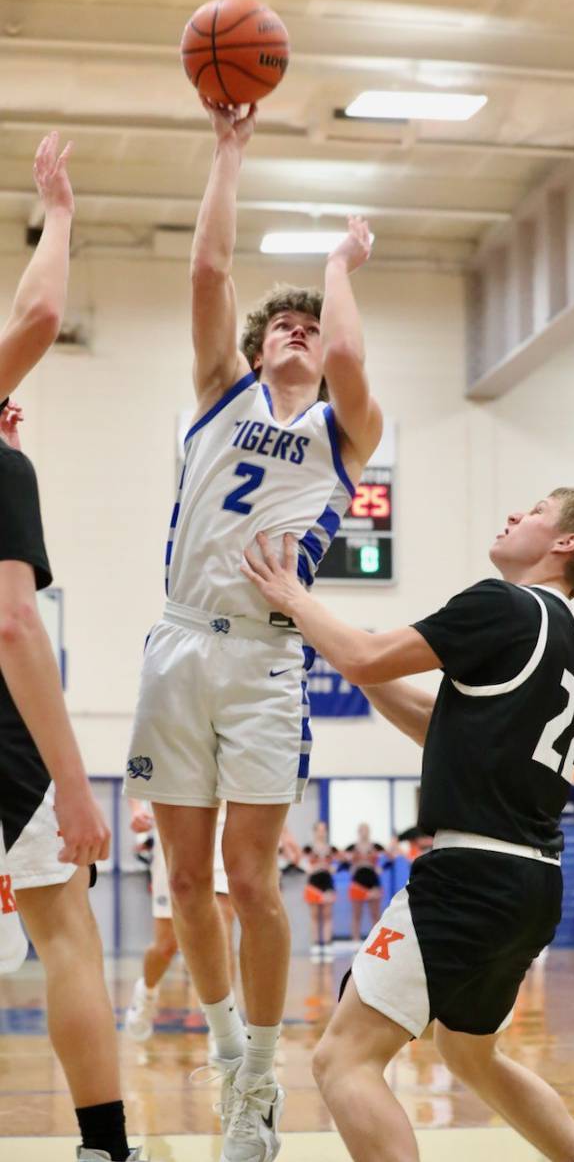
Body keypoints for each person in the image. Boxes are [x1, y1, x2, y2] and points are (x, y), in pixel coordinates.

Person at [123, 98, 383, 1162]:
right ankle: (229, 1052)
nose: (295, 333)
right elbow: (204, 276)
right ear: (254, 346)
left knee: (249, 875)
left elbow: (354, 360)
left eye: (308, 329)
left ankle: (261, 1080)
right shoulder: (221, 396)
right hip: (179, 641)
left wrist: (337, 268)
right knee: (181, 879)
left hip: (265, 655)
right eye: (281, 323)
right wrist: (228, 153)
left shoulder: (340, 431)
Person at [242, 485, 574, 1162]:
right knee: (471, 1055)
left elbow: (367, 656)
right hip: (533, 880)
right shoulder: (572, 644)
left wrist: (295, 599)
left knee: (343, 1058)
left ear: (566, 543)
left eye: (537, 511)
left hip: (471, 875)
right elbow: (440, 727)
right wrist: (348, 656)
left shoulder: (503, 603)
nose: (514, 512)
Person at [0, 134, 141, 1161]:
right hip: (11, 744)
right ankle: (105, 1145)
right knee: (65, 934)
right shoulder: (5, 467)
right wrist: (61, 215)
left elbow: (24, 320)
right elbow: (12, 626)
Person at [124, 798, 236, 1044]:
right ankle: (147, 993)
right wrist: (136, 808)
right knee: (167, 945)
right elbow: (139, 761)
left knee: (222, 920)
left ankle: (223, 1035)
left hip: (223, 823)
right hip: (175, 826)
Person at [302, 820, 339, 961]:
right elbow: (303, 864)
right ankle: (316, 946)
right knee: (315, 915)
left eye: (324, 830)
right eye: (319, 830)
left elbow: (337, 865)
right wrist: (314, 867)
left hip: (327, 881)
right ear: (315, 831)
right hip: (314, 882)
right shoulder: (309, 848)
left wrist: (329, 867)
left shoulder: (331, 849)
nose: (322, 832)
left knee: (327, 914)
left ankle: (327, 945)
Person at [345, 822, 385, 943]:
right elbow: (346, 863)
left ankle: (376, 940)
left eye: (366, 829)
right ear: (358, 831)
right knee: (357, 913)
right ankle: (355, 940)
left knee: (375, 913)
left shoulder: (376, 847)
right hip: (358, 879)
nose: (364, 832)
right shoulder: (352, 848)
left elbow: (387, 859)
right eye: (362, 830)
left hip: (372, 879)